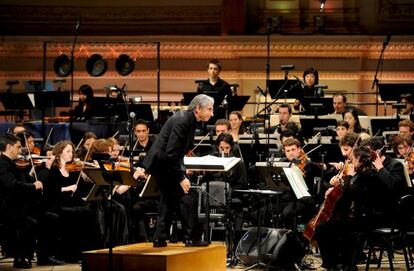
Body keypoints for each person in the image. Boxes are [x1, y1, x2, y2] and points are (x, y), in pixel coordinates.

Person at [142, 94, 214, 247]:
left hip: (163, 162)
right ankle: (191, 238)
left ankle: (160, 238)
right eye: (209, 109)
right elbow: (171, 153)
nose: (212, 113)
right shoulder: (184, 120)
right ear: (198, 108)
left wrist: (187, 151)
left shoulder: (190, 119)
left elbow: (179, 147)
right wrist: (181, 177)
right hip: (163, 162)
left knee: (168, 199)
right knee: (188, 195)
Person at [0, 134, 44, 268]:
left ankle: (30, 256)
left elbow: (21, 179)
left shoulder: (10, 163)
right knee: (28, 223)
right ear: (8, 147)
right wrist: (33, 186)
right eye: (18, 147)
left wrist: (33, 181)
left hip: (13, 206)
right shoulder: (2, 164)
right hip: (5, 209)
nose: (20, 151)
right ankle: (20, 257)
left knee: (39, 218)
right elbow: (12, 186)